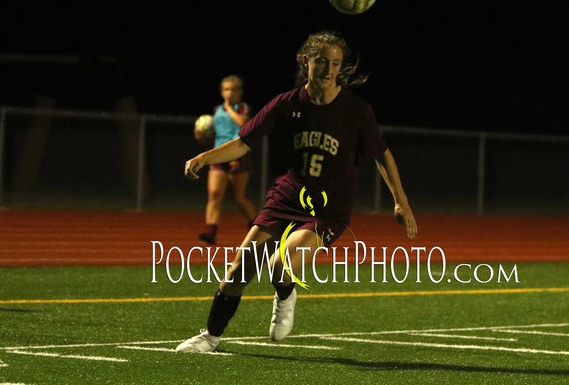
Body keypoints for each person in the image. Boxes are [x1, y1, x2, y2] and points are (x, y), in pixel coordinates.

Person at [176, 30, 418, 354]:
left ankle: (286, 293)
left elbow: (381, 155)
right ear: (306, 61)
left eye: (335, 63)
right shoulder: (285, 104)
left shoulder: (356, 110)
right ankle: (211, 336)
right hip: (285, 197)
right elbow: (243, 143)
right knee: (238, 270)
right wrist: (204, 158)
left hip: (327, 210)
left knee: (281, 262)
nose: (329, 69)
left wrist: (401, 202)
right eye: (322, 61)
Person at [196, 75, 257, 244]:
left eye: (233, 89)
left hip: (238, 154)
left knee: (239, 198)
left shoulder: (242, 107)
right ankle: (211, 231)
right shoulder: (216, 110)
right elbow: (217, 132)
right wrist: (203, 136)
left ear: (239, 92)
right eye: (226, 89)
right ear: (222, 92)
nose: (230, 93)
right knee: (214, 193)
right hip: (219, 154)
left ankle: (258, 228)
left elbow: (243, 124)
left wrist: (230, 108)